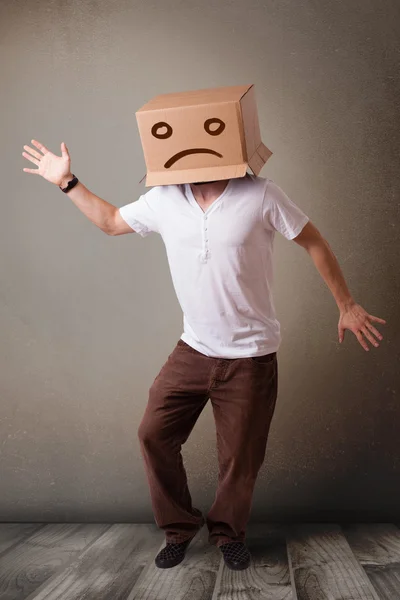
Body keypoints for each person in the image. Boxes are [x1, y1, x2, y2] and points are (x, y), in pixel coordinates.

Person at [22, 139, 386, 571]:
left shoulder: (262, 194)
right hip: (193, 349)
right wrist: (66, 181)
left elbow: (314, 241)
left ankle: (228, 533)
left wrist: (346, 304)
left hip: (251, 357)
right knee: (153, 434)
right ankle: (179, 528)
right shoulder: (164, 199)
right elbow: (111, 221)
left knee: (240, 459)